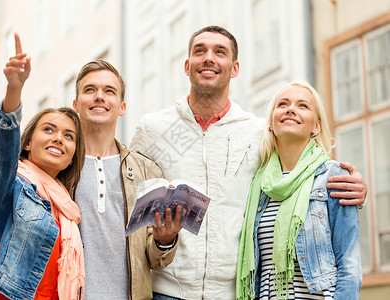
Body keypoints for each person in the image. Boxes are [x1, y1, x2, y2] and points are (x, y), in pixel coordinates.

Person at [130, 25, 367, 299]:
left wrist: (358, 192)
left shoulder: (258, 132)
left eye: (220, 52)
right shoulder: (154, 128)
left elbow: (300, 170)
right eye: (200, 51)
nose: (209, 58)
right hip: (166, 291)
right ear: (187, 65)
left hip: (232, 293)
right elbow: (128, 203)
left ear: (234, 68)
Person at [0, 57, 182, 299]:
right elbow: (6, 205)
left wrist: (164, 241)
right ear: (76, 104)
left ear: (122, 106)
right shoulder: (56, 168)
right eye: (90, 90)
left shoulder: (145, 171)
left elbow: (154, 259)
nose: (99, 96)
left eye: (109, 91)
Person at [0, 33, 86, 300]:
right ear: (27, 144)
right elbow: (3, 154)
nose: (59, 137)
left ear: (71, 157)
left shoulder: (68, 207)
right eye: (49, 129)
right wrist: (15, 89)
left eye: (69, 136)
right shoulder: (9, 186)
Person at [236, 80, 361, 299]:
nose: (291, 109)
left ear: (316, 126)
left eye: (303, 106)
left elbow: (349, 265)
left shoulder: (333, 177)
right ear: (271, 123)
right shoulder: (259, 184)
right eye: (283, 104)